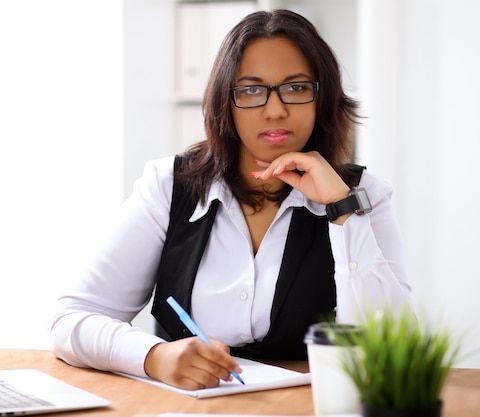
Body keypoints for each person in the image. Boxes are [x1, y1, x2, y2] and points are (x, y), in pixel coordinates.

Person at [50, 9, 412, 391]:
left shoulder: (362, 195)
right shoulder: (169, 187)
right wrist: (154, 357)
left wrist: (341, 211)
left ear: (323, 98)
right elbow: (72, 318)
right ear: (226, 101)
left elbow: (394, 349)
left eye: (297, 87)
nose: (275, 109)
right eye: (251, 90)